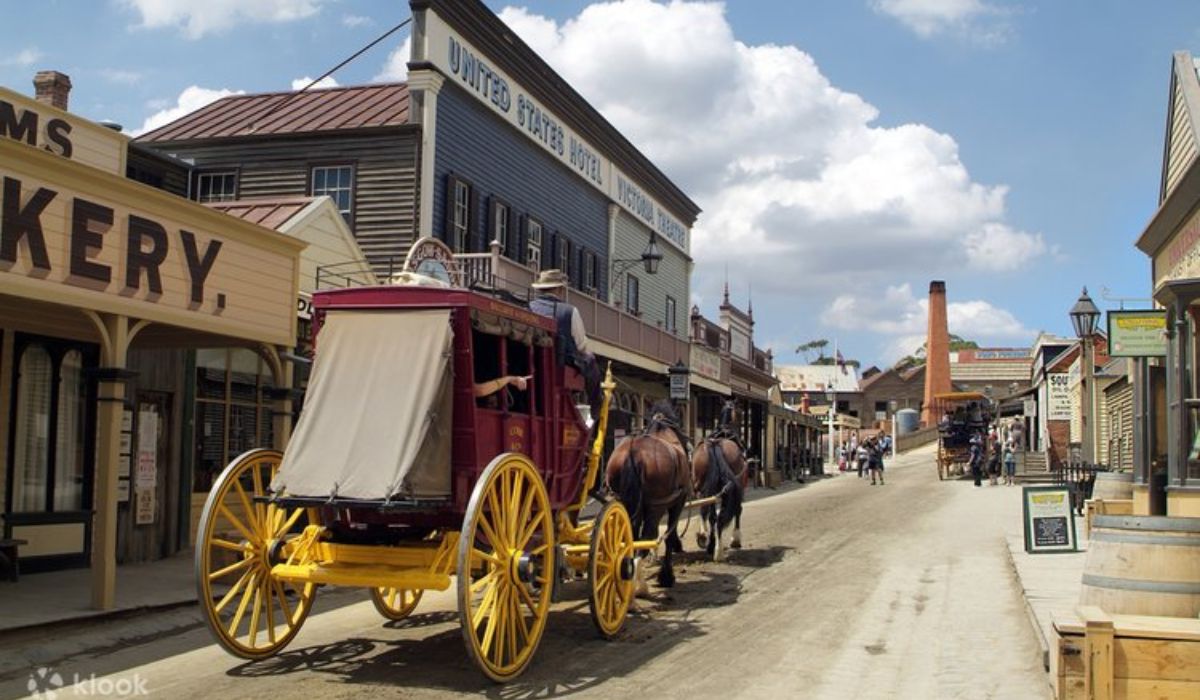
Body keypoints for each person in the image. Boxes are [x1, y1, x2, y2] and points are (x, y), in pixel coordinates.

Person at [528, 269, 601, 414]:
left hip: (531, 360)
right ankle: (596, 405)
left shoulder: (529, 307)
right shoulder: (569, 311)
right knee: (590, 359)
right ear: (560, 289)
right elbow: (581, 345)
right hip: (561, 363)